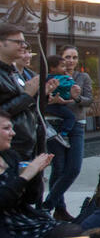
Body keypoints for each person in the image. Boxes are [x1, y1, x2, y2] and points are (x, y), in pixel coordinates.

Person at [0, 111, 83, 238]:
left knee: (78, 231)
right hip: (8, 227)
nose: (13, 133)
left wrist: (35, 174)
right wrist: (26, 175)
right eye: (6, 128)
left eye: (12, 128)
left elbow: (30, 199)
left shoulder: (10, 156)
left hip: (25, 220)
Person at [44, 45, 92, 221]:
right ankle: (59, 209)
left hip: (77, 124)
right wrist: (51, 99)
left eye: (74, 57)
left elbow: (88, 100)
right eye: (67, 57)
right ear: (60, 60)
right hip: (55, 124)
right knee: (59, 168)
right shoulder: (50, 77)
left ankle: (46, 205)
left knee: (73, 168)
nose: (71, 61)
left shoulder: (82, 77)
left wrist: (76, 97)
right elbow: (41, 97)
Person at [1, 24, 58, 161]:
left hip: (28, 144)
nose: (24, 46)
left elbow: (27, 106)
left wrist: (41, 94)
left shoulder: (14, 72)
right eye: (18, 42)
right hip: (9, 147)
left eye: (24, 42)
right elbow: (4, 110)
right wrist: (27, 95)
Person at [43, 55, 76, 144]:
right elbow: (70, 84)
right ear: (52, 68)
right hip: (54, 105)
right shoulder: (59, 78)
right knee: (71, 117)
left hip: (50, 106)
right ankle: (63, 134)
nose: (65, 68)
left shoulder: (46, 77)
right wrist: (70, 78)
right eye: (62, 66)